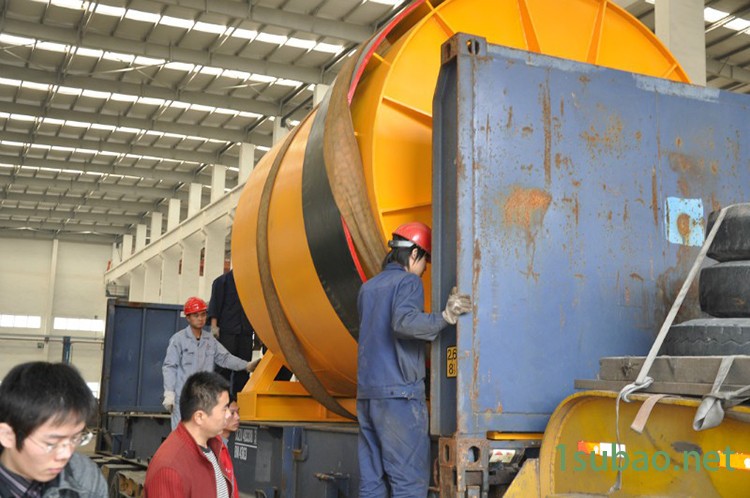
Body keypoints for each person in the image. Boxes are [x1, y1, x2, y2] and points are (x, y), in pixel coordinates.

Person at [356, 222, 472, 497]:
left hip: (368, 397)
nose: (424, 270)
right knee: (409, 484)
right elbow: (404, 323)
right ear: (414, 254)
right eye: (425, 262)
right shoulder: (408, 282)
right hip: (399, 397)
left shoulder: (368, 288)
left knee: (372, 484)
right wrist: (445, 317)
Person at [0, 362, 108, 498]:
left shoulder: (83, 474)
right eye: (51, 443)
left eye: (75, 438)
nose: (66, 455)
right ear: (7, 435)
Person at [163, 297, 260, 430]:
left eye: (203, 314)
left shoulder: (210, 341)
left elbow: (225, 358)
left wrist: (246, 366)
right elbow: (170, 367)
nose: (200, 318)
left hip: (204, 399)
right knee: (182, 436)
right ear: (188, 318)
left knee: (202, 436)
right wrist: (169, 393)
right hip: (184, 398)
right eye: (196, 315)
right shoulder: (178, 340)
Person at [144, 371, 234, 498]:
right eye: (224, 409)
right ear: (199, 417)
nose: (229, 415)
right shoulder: (169, 469)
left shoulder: (214, 447)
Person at [208, 270, 258, 395]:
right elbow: (215, 305)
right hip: (226, 332)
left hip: (245, 333)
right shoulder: (221, 282)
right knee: (223, 368)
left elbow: (255, 308)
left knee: (244, 369)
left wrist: (257, 335)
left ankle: (238, 400)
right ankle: (220, 399)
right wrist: (214, 327)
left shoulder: (251, 284)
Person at [217, 395, 240, 498]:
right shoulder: (215, 450)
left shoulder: (223, 447)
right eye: (232, 413)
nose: (238, 417)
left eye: (238, 412)